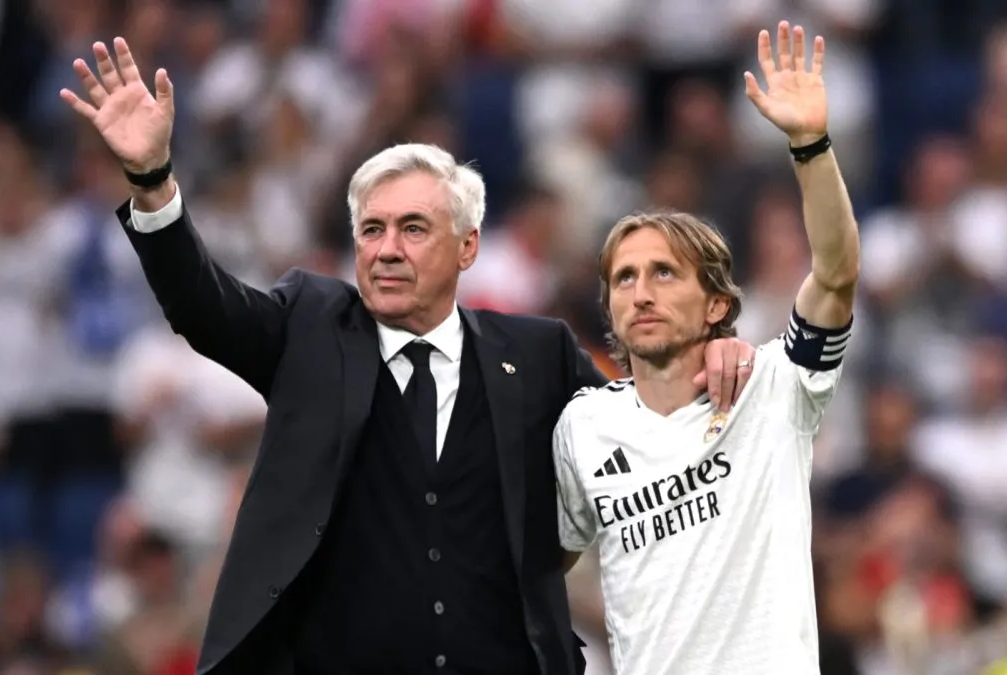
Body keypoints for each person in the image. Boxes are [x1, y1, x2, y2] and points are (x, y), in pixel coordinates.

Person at [58, 38, 759, 675]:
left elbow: (646, 421)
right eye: (372, 230)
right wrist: (152, 179)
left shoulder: (538, 352)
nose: (387, 248)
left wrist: (712, 353)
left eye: (413, 228)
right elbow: (203, 306)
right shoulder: (309, 325)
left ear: (467, 247)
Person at [552, 22, 859, 675]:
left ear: (717, 303)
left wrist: (809, 144)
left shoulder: (773, 386)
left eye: (665, 273)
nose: (641, 291)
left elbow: (835, 274)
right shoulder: (582, 427)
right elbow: (537, 560)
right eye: (624, 278)